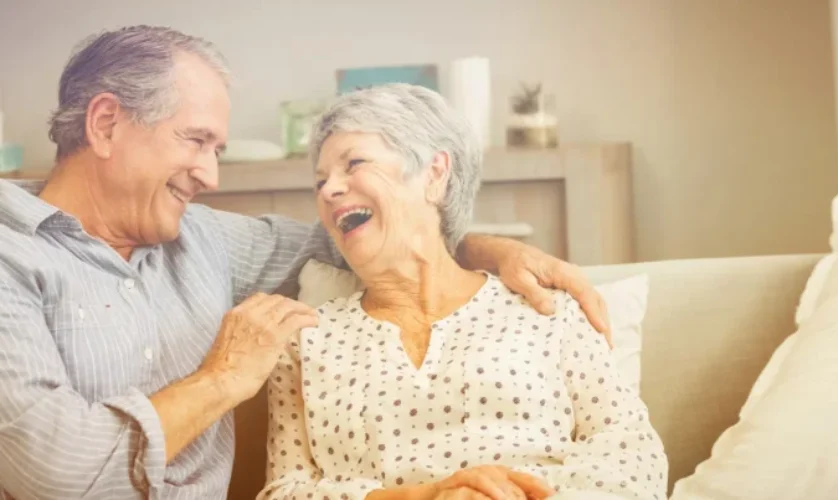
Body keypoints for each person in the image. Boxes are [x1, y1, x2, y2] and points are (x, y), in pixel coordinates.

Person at [0, 26, 613, 499]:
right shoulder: (11, 257)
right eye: (196, 141)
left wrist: (488, 247)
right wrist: (223, 378)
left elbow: (371, 240)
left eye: (218, 150)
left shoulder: (202, 238)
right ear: (106, 123)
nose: (211, 176)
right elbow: (54, 472)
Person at [258, 84, 667, 500]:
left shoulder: (546, 310)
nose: (329, 190)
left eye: (354, 164)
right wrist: (425, 497)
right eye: (321, 181)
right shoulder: (305, 340)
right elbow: (283, 493)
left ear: (435, 175)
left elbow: (631, 456)